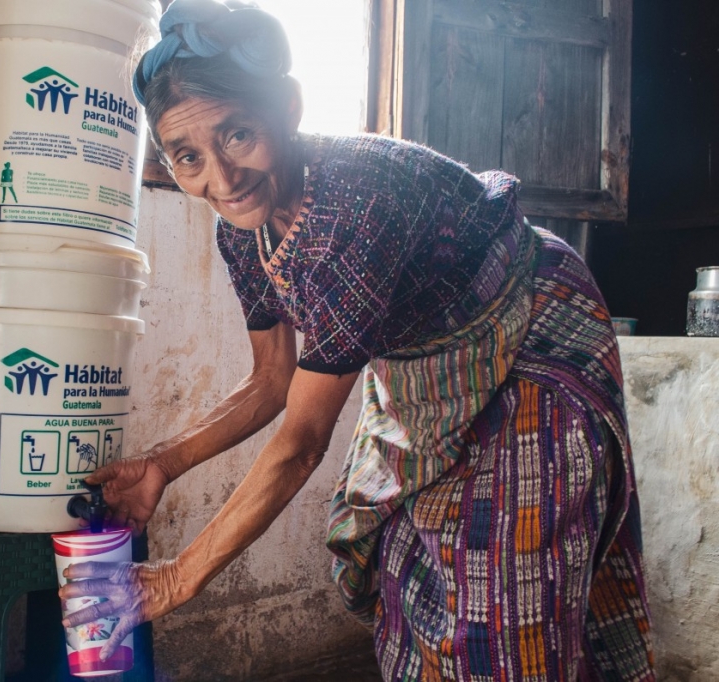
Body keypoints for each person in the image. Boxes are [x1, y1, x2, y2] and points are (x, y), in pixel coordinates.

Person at [58, 1, 655, 679]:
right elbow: (270, 378)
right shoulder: (242, 228)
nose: (220, 180)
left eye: (239, 134)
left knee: (508, 580)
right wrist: (164, 464)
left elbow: (301, 444)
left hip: (528, 328)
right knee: (406, 556)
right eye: (188, 157)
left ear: (288, 106)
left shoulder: (352, 211)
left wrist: (177, 580)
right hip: (426, 356)